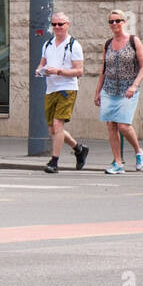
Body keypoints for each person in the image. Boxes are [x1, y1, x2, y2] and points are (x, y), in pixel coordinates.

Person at [35, 11, 90, 173]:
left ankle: (54, 161)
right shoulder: (48, 44)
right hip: (51, 88)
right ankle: (79, 149)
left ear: (67, 25)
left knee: (58, 125)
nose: (57, 27)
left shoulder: (74, 45)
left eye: (61, 24)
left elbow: (79, 71)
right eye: (54, 24)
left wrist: (59, 71)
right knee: (53, 129)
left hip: (67, 89)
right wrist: (40, 70)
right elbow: (42, 64)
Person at [95, 9, 143, 173]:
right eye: (111, 22)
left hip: (128, 89)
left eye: (117, 21)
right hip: (109, 89)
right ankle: (118, 163)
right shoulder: (108, 44)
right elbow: (104, 69)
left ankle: (139, 152)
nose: (114, 24)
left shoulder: (134, 41)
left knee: (124, 126)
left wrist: (134, 85)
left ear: (124, 22)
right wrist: (97, 92)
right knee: (111, 125)